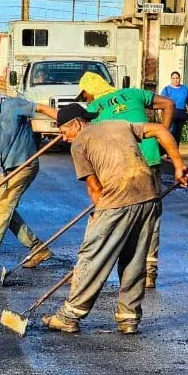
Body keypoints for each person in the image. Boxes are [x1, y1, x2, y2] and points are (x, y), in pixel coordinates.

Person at [42, 104, 188, 335]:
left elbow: (94, 188)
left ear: (76, 124)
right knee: (134, 257)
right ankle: (129, 317)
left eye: (63, 131)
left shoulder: (80, 143)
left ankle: (69, 315)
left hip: (118, 199)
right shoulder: (119, 125)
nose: (64, 137)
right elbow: (161, 130)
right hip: (149, 195)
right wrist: (179, 166)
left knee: (92, 256)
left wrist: (99, 218)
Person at [78, 71, 176, 288]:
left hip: (120, 164)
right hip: (149, 157)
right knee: (151, 215)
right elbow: (168, 104)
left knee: (119, 214)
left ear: (90, 92)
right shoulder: (133, 93)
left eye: (85, 95)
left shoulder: (94, 109)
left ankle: (106, 269)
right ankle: (149, 272)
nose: (86, 99)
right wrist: (162, 136)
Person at [0, 79, 58, 269]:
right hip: (9, 169)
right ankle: (38, 248)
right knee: (6, 209)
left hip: (26, 165)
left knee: (4, 208)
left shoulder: (13, 105)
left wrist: (64, 120)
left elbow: (41, 108)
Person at [159, 71, 188, 144]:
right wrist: (160, 113)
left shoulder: (185, 89)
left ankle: (175, 151)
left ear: (180, 79)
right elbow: (161, 102)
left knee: (178, 134)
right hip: (170, 114)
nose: (175, 80)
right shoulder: (166, 90)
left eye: (177, 78)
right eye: (173, 78)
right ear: (171, 79)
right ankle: (169, 152)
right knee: (171, 132)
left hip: (181, 114)